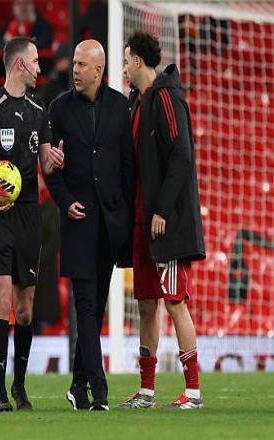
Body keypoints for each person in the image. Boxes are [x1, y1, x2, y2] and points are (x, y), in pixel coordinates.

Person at [0, 36, 63, 412]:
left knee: (25, 309)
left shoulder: (40, 109)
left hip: (28, 214)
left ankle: (19, 386)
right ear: (20, 64)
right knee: (2, 301)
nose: (40, 68)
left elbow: (46, 163)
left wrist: (55, 160)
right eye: (35, 61)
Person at [45, 40, 134, 411]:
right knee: (84, 303)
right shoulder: (58, 108)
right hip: (78, 221)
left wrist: (125, 214)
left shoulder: (120, 106)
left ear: (99, 70)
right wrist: (65, 201)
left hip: (109, 223)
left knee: (95, 308)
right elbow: (49, 168)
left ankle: (77, 384)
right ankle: (100, 391)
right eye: (74, 64)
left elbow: (127, 166)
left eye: (82, 65)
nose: (75, 70)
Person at [121, 31, 205, 410]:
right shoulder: (137, 102)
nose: (124, 68)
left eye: (126, 61)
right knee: (146, 304)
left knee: (174, 302)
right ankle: (147, 390)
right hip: (142, 222)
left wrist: (162, 210)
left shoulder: (168, 96)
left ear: (138, 61)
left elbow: (182, 156)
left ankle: (194, 392)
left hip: (164, 224)